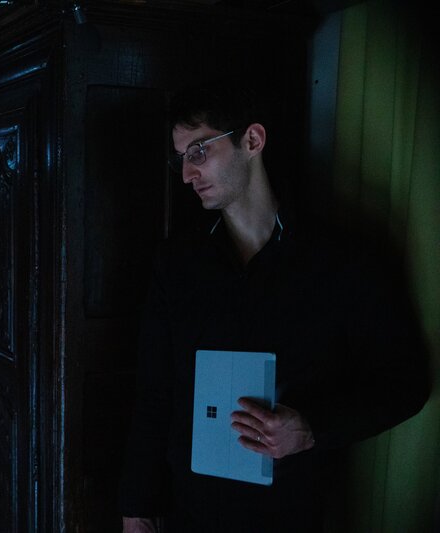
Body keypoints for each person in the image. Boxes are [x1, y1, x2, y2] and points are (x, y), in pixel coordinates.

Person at [119, 79, 431, 532]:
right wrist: (137, 510)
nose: (186, 174)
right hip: (190, 513)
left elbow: (406, 381)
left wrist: (311, 428)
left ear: (252, 140)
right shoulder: (176, 265)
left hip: (292, 513)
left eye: (199, 151)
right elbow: (154, 394)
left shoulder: (342, 262)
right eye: (181, 157)